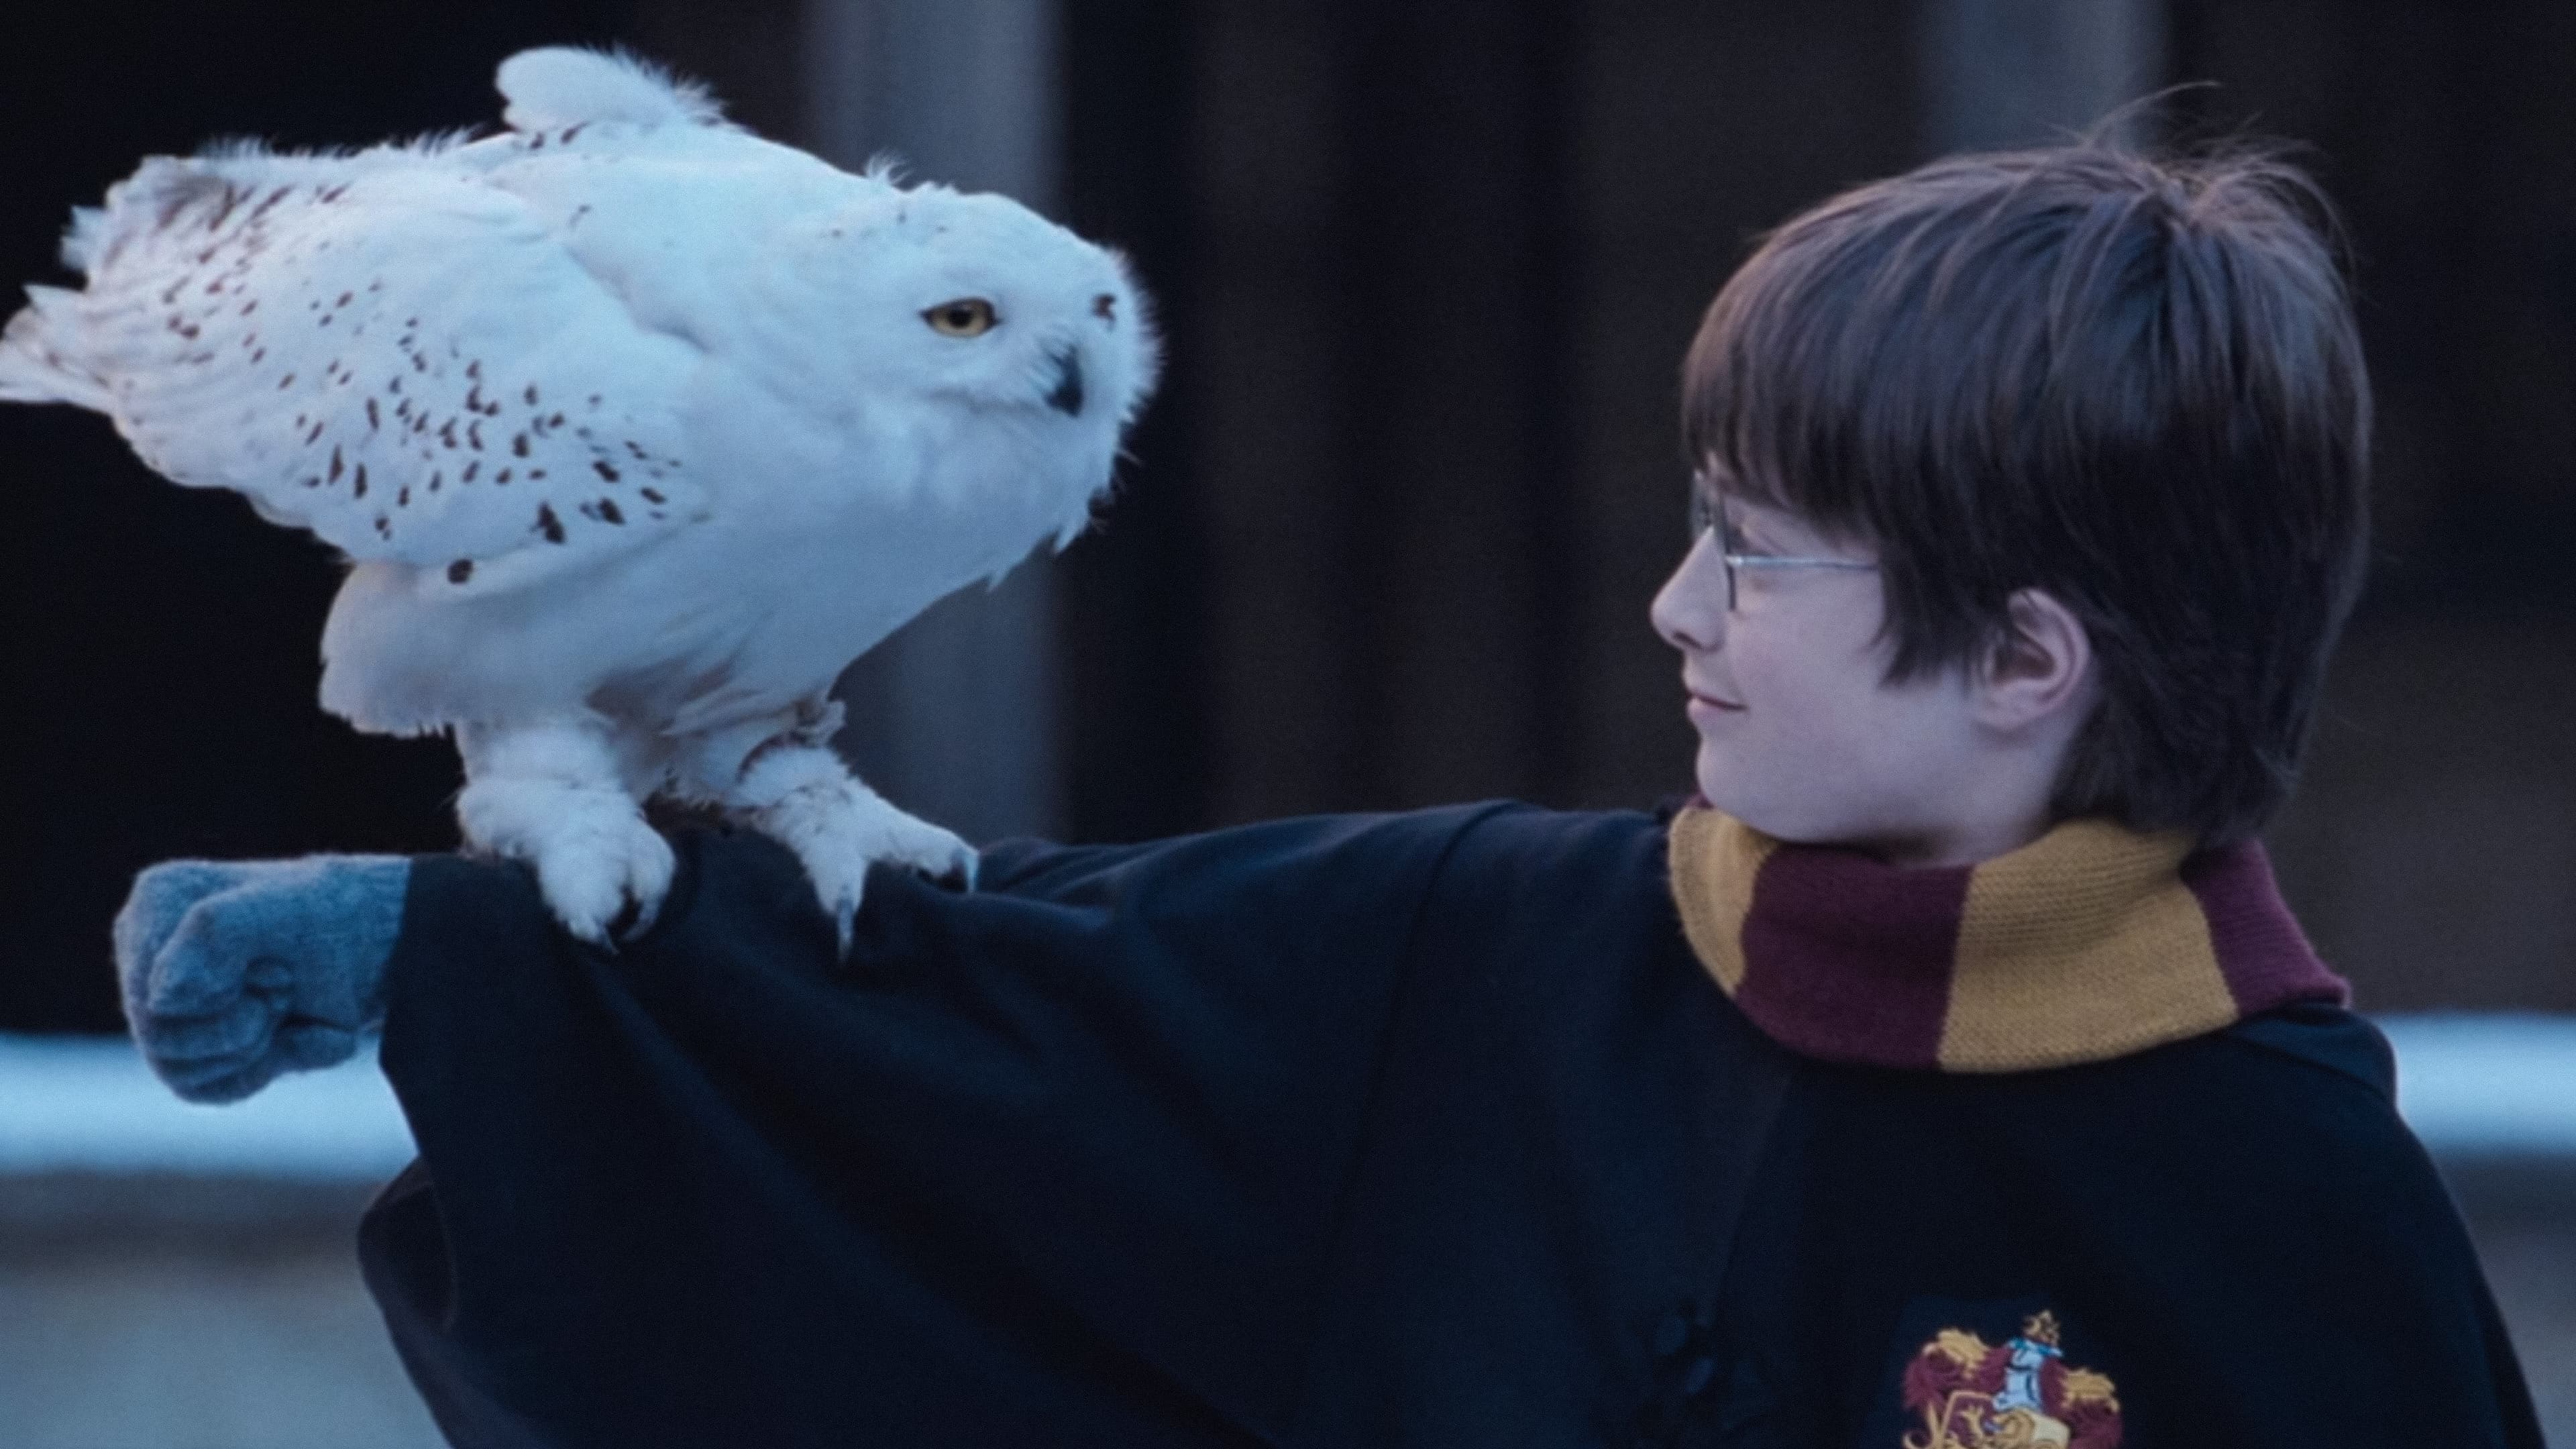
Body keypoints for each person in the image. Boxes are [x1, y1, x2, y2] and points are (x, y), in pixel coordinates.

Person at [113, 136, 2544, 1448]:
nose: (1678, 609)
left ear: (2025, 659)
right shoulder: (1494, 954)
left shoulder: (2287, 1192)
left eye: (1758, 554)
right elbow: (986, 1012)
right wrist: (435, 954)